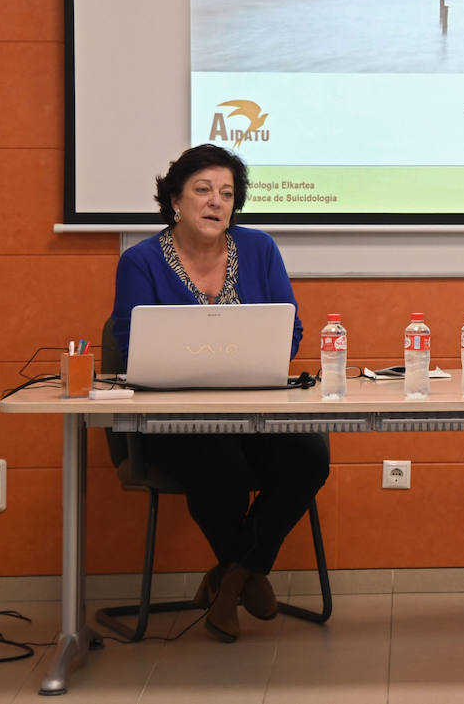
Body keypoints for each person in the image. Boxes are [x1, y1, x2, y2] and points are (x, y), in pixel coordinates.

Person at [110, 144, 330, 643]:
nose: (216, 202)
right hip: (173, 420)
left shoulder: (259, 249)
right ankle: (243, 575)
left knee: (309, 456)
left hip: (256, 409)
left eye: (227, 194)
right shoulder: (140, 261)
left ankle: (231, 577)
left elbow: (290, 331)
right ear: (175, 199)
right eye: (203, 190)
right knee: (221, 463)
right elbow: (129, 344)